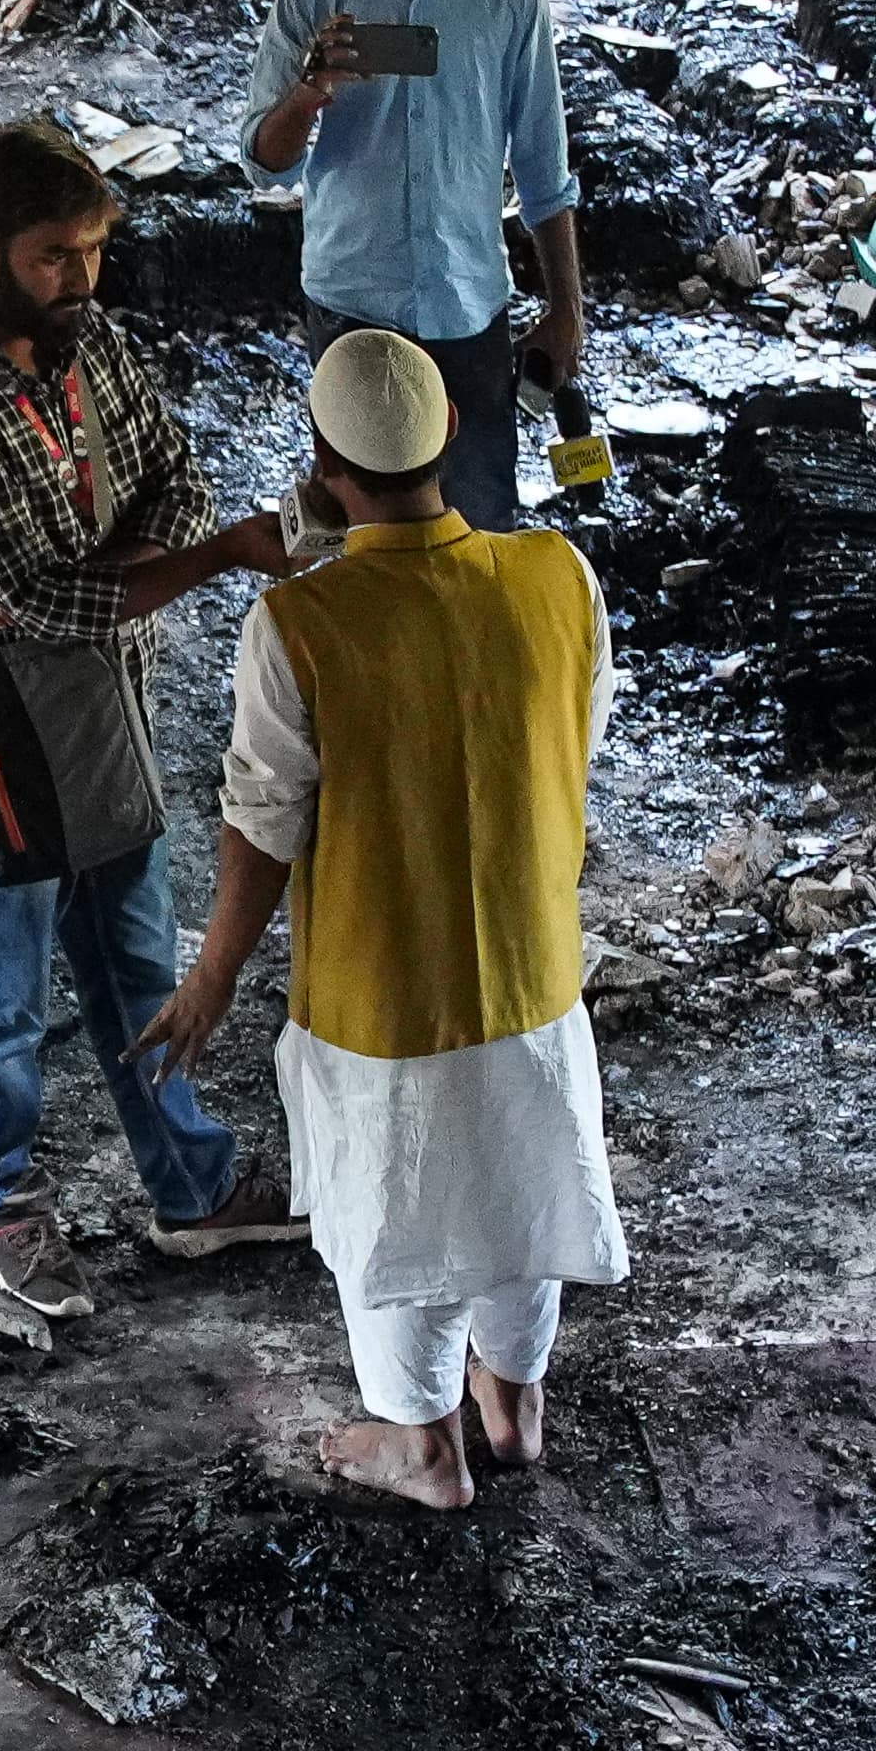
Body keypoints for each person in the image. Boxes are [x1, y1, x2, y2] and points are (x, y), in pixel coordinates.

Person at [152, 325, 625, 1508]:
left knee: (398, 1213)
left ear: (322, 462)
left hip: (382, 999)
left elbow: (263, 825)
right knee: (523, 1183)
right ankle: (512, 1403)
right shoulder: (558, 577)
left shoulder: (298, 626)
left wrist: (212, 976)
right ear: (450, 431)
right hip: (532, 972)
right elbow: (573, 744)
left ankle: (422, 1444)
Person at [0, 121, 287, 1323]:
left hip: (110, 705)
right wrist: (202, 560)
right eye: (56, 255)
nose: (84, 278)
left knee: (136, 964)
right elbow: (45, 596)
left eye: (94, 250)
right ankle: (8, 1209)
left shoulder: (90, 342)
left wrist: (105, 576)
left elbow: (177, 482)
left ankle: (192, 1188)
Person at [237, 0, 591, 487]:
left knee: (478, 512)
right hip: (351, 305)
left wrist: (566, 310)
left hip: (467, 303)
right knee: (362, 517)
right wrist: (310, 93)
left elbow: (543, 166)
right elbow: (266, 167)